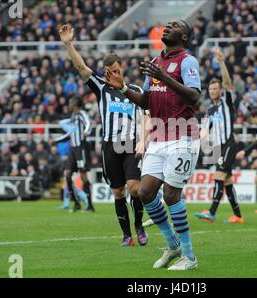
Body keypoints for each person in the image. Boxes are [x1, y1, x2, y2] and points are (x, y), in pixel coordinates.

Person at [105, 19, 201, 270]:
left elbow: (194, 95)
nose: (167, 27)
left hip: (183, 135)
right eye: (166, 25)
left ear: (184, 37)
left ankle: (189, 257)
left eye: (175, 26)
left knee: (171, 195)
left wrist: (164, 78)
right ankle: (173, 245)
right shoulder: (156, 63)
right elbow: (146, 102)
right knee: (144, 193)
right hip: (159, 137)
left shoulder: (187, 61)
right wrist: (124, 88)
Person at [59, 24, 148, 246]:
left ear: (122, 67)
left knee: (135, 188)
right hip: (110, 146)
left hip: (131, 145)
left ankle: (139, 226)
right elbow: (81, 67)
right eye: (109, 71)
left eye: (116, 70)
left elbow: (147, 115)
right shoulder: (101, 87)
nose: (112, 74)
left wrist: (143, 141)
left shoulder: (135, 91)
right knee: (118, 191)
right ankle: (127, 235)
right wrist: (69, 44)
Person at [195, 48, 244, 224]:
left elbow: (228, 83)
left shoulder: (227, 102)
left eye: (216, 88)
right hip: (218, 147)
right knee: (228, 182)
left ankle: (212, 212)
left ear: (221, 91)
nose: (213, 91)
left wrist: (222, 63)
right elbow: (204, 130)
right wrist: (196, 144)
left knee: (218, 176)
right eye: (211, 88)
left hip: (229, 144)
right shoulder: (209, 109)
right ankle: (238, 216)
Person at [58, 97, 94, 213]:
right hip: (73, 149)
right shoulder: (73, 117)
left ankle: (90, 205)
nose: (69, 103)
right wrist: (57, 140)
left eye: (71, 102)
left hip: (81, 148)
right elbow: (70, 133)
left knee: (83, 176)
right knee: (67, 175)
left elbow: (88, 123)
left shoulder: (81, 113)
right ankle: (76, 203)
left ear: (75, 104)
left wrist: (86, 131)